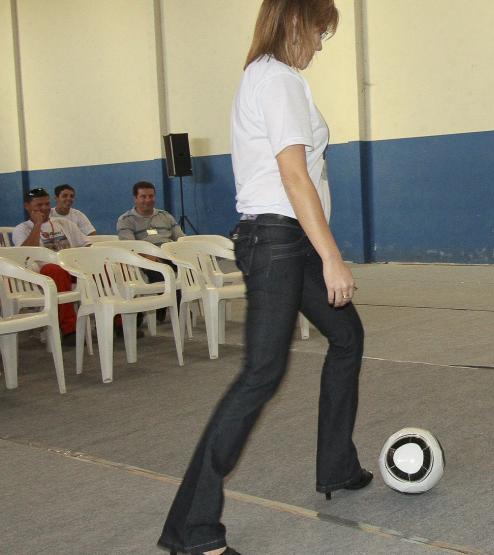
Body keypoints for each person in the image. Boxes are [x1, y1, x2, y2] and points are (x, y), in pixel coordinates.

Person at [158, 2, 369, 554]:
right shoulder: (278, 81)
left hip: (285, 240)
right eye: (320, 32)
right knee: (260, 375)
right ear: (296, 22)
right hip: (280, 243)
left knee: (347, 337)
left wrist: (316, 248)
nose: (321, 44)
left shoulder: (267, 78)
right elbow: (294, 175)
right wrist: (332, 256)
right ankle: (193, 530)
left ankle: (337, 466)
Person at [12, 187, 90, 344]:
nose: (45, 208)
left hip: (72, 267)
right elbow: (28, 253)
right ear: (27, 206)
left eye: (47, 204)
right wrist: (38, 225)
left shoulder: (64, 223)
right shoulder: (22, 229)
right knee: (55, 269)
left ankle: (119, 322)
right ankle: (69, 329)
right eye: (39, 205)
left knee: (102, 266)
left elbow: (86, 245)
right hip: (42, 274)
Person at [117, 181, 184, 322]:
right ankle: (177, 310)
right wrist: (147, 257)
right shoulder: (126, 220)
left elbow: (181, 239)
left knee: (191, 267)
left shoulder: (165, 216)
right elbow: (129, 247)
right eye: (143, 196)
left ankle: (170, 305)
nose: (148, 200)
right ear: (135, 198)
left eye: (151, 196)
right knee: (161, 270)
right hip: (144, 259)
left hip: (169, 254)